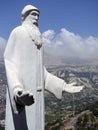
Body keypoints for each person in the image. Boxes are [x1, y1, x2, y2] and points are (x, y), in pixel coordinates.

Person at [4, 5, 83, 130]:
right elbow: (10, 63)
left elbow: (42, 73)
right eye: (33, 14)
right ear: (25, 16)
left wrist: (62, 86)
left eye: (38, 15)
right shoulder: (17, 32)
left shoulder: (38, 38)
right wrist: (17, 91)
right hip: (23, 94)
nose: (36, 18)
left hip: (37, 96)